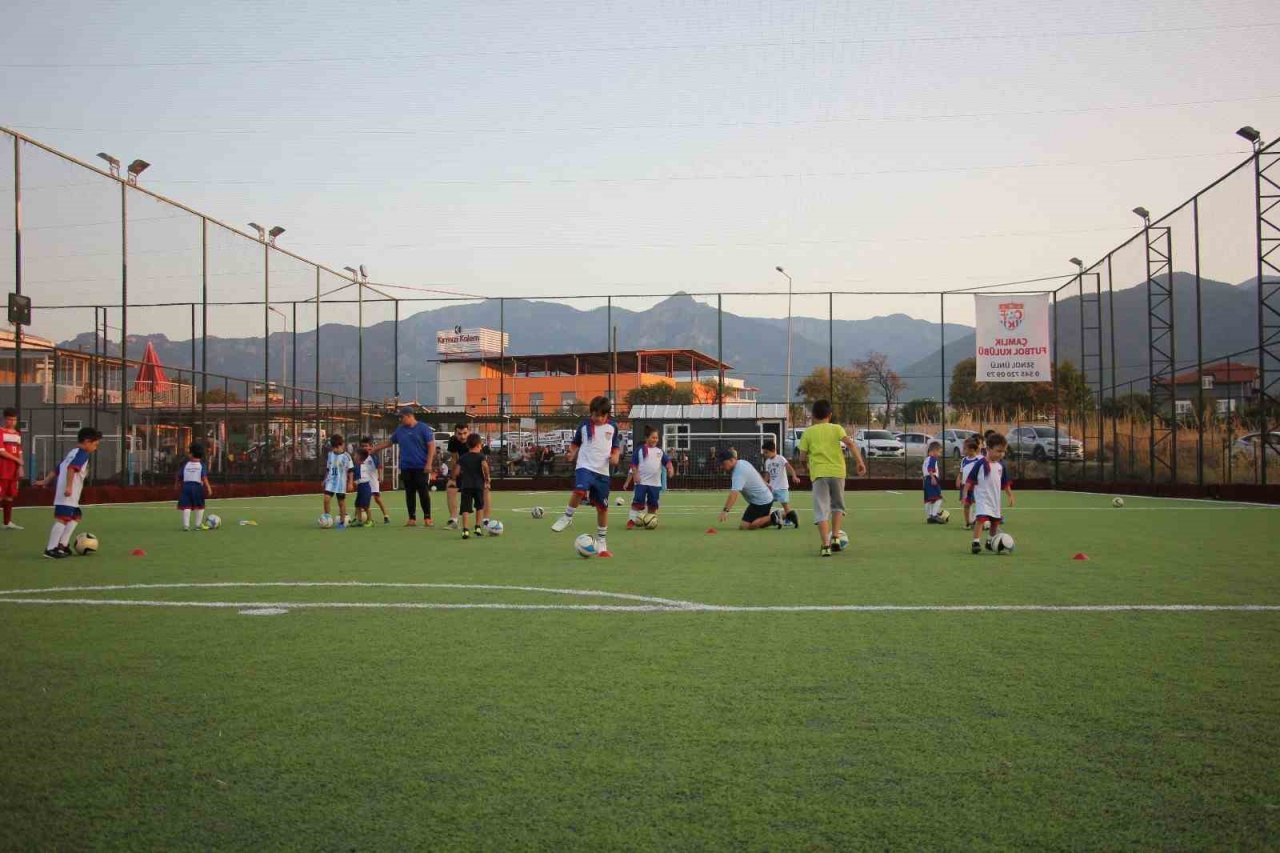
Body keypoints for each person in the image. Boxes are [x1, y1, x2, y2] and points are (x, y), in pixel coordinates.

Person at [550, 396, 620, 558]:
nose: (598, 419)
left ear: (607, 415)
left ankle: (601, 544)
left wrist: (615, 457)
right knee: (580, 490)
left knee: (602, 508)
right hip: (585, 467)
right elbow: (575, 443)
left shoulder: (613, 427)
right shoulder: (583, 425)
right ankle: (567, 517)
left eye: (602, 416)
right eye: (595, 415)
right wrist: (571, 453)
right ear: (591, 413)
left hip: (602, 473)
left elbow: (615, 447)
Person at [797, 399, 867, 558]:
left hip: (819, 474)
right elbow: (850, 444)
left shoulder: (808, 432)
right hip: (837, 472)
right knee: (838, 505)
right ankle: (835, 537)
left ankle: (825, 546)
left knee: (821, 510)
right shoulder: (837, 429)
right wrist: (860, 462)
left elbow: (802, 456)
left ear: (813, 416)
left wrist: (805, 466)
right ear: (830, 415)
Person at [37, 426, 102, 559]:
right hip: (68, 492)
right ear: (87, 441)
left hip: (70, 493)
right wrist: (68, 487)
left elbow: (58, 469)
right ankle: (50, 549)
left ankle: (63, 545)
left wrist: (45, 481)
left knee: (76, 515)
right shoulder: (82, 454)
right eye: (95, 444)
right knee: (62, 519)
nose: (96, 447)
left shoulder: (73, 452)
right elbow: (71, 469)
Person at [370, 407, 436, 527]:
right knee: (409, 493)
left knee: (423, 492)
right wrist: (376, 448)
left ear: (409, 416)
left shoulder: (423, 428)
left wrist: (429, 463)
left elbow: (431, 446)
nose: (400, 419)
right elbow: (389, 442)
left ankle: (427, 517)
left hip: (421, 466)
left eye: (402, 417)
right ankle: (412, 518)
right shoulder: (400, 430)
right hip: (406, 466)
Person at [622, 425, 674, 529]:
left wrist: (670, 469)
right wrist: (635, 474)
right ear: (647, 438)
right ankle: (631, 520)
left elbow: (667, 462)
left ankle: (650, 521)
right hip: (641, 482)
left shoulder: (659, 451)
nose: (655, 439)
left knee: (653, 504)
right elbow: (634, 464)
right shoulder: (640, 450)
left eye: (657, 438)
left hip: (655, 484)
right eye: (653, 437)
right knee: (637, 503)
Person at [966, 432, 1010, 554]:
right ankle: (975, 542)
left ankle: (990, 541)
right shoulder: (980, 464)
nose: (1001, 454)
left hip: (995, 500)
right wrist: (965, 494)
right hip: (983, 499)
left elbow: (1005, 483)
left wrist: (1010, 495)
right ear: (988, 449)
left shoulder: (1001, 466)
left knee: (995, 522)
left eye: (1003, 451)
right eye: (998, 451)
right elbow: (970, 479)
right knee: (981, 520)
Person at [717, 450, 778, 530]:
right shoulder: (742, 462)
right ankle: (780, 516)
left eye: (723, 464)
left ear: (732, 460)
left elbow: (734, 494)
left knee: (745, 526)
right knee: (761, 523)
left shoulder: (738, 473)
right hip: (762, 499)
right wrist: (765, 484)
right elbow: (755, 473)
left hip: (761, 502)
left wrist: (725, 511)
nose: (721, 467)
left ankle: (778, 515)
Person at [454, 433, 491, 540]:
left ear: (467, 445)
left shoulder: (463, 457)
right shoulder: (481, 456)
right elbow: (485, 467)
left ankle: (465, 530)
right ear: (479, 445)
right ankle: (478, 527)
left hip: (466, 486)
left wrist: (454, 477)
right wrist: (487, 479)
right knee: (479, 506)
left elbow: (456, 471)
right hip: (478, 485)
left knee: (465, 508)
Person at [761, 438, 800, 528]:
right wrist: (765, 483)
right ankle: (768, 519)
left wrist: (794, 476)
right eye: (764, 453)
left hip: (782, 487)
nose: (765, 454)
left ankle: (789, 519)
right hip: (772, 488)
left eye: (766, 452)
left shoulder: (781, 458)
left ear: (773, 450)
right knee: (767, 504)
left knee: (785, 505)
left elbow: (789, 467)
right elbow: (767, 474)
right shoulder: (767, 462)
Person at [177, 442, 214, 531]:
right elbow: (204, 477)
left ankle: (186, 526)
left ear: (191, 454)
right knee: (200, 506)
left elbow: (179, 476)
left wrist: (178, 485)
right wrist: (209, 488)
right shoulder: (201, 465)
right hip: (197, 487)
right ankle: (198, 525)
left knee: (186, 506)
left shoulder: (186, 465)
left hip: (186, 487)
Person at [322, 434, 355, 530]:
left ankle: (342, 521)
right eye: (333, 448)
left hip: (341, 483)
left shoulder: (346, 456)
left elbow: (351, 470)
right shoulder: (330, 455)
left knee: (341, 503)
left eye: (337, 447)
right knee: (326, 499)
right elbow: (328, 469)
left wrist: (350, 483)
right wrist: (325, 479)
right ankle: (327, 518)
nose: (335, 450)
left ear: (341, 445)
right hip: (331, 482)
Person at [1, 407, 24, 530]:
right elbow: (2, 451)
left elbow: (19, 451)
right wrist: (17, 460)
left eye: (14, 419)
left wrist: (20, 466)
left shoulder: (17, 434)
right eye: (10, 419)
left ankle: (7, 522)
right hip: (2, 470)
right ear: (5, 419)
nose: (12, 422)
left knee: (10, 495)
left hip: (13, 471)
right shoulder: (0, 432)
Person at [359, 437, 391, 524]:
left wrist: (380, 476)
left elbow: (379, 467)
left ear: (370, 446)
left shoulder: (373, 456)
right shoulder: (360, 456)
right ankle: (364, 518)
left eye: (366, 446)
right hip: (364, 481)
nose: (364, 448)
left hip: (373, 481)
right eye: (362, 446)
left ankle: (386, 515)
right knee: (363, 500)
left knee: (377, 499)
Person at [957, 437, 982, 529]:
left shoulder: (979, 460)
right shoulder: (964, 460)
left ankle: (979, 521)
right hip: (965, 486)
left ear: (971, 449)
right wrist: (958, 479)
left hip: (976, 486)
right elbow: (961, 471)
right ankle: (968, 523)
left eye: (965, 448)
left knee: (977, 503)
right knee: (966, 504)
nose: (963, 450)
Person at [922, 441, 947, 524]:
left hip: (926, 481)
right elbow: (930, 469)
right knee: (938, 498)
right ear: (934, 451)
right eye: (939, 452)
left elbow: (925, 470)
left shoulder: (926, 459)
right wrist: (933, 478)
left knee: (928, 500)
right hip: (931, 479)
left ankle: (929, 517)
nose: (939, 454)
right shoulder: (933, 458)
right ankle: (934, 515)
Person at [353, 447, 378, 527]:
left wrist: (353, 483)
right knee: (357, 504)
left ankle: (370, 520)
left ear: (359, 457)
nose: (354, 456)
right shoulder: (359, 466)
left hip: (365, 487)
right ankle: (359, 520)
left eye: (355, 455)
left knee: (366, 506)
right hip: (361, 488)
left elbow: (358, 478)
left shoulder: (360, 466)